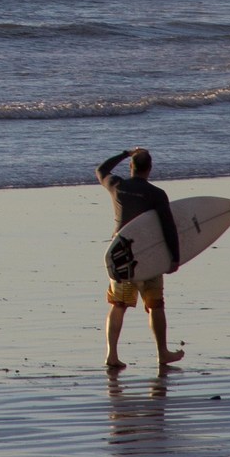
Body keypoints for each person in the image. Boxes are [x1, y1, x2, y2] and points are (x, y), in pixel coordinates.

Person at [98, 147, 185, 370]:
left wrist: (125, 152)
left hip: (121, 254)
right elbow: (168, 227)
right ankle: (162, 353)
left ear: (131, 167)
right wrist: (175, 258)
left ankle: (112, 355)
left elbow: (101, 170)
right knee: (156, 305)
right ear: (150, 169)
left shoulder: (118, 186)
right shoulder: (157, 194)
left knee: (118, 305)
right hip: (149, 255)